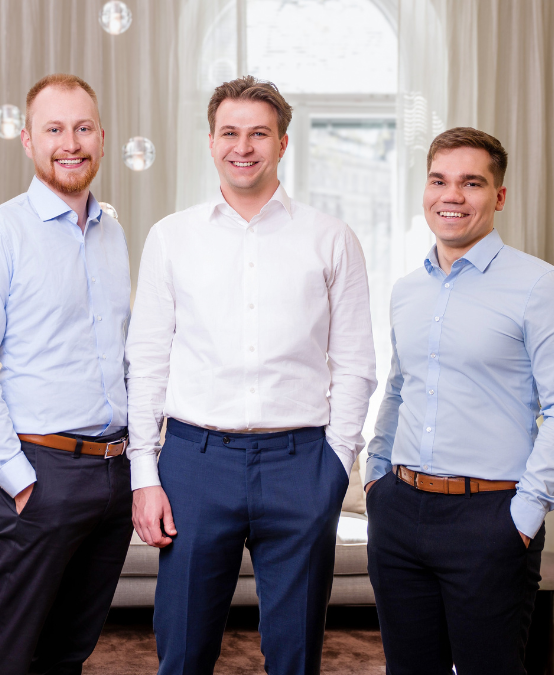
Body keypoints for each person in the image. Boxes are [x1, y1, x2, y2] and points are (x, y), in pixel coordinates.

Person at [126, 75, 377, 675]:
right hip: (193, 460)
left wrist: (337, 461)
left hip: (302, 462)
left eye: (259, 133)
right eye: (230, 132)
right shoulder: (171, 237)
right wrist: (144, 472)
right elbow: (147, 359)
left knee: (294, 656)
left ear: (283, 143)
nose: (244, 146)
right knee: (183, 651)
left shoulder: (332, 238)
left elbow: (356, 362)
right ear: (210, 142)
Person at [363, 127, 554, 674]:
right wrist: (376, 478)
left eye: (471, 183)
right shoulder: (406, 290)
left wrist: (525, 513)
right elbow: (399, 386)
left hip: (490, 519)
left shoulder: (542, 286)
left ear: (499, 196)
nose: (452, 196)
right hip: (400, 512)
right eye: (439, 181)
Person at [0, 74, 132, 675]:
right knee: (1, 660)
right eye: (54, 129)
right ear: (29, 141)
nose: (70, 142)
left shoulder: (114, 233)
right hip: (41, 474)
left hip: (113, 475)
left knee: (67, 656)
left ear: (102, 139)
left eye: (82, 128)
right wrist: (19, 479)